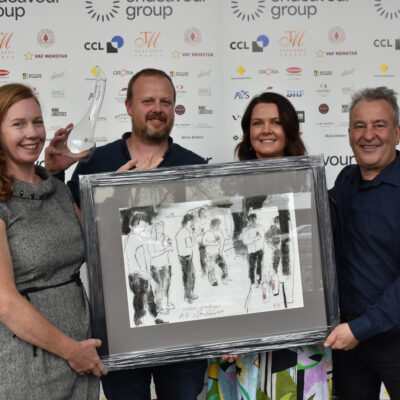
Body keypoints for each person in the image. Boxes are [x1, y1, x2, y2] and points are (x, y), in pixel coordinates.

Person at [45, 68, 208, 400]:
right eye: (147, 100)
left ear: (174, 108)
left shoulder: (194, 166)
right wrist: (58, 175)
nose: (157, 109)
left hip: (183, 327)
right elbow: (71, 232)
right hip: (117, 326)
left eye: (165, 101)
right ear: (129, 106)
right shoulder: (96, 162)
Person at [207, 92, 332, 400]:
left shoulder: (310, 184)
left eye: (276, 122)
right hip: (239, 336)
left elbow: (321, 261)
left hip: (299, 333)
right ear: (247, 132)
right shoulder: (227, 188)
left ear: (290, 129)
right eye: (257, 123)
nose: (266, 130)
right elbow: (227, 257)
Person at [0, 83, 107, 399]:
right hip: (29, 370)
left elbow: (99, 251)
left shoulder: (57, 189)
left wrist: (120, 194)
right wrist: (72, 351)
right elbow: (5, 303)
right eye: (18, 124)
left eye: (37, 122)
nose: (32, 133)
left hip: (83, 361)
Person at [324, 87, 400, 399]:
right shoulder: (345, 180)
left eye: (379, 125)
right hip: (349, 341)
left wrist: (362, 327)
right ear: (349, 133)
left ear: (397, 133)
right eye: (359, 126)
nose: (368, 135)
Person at [175, 213, 198, 303]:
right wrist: (194, 237)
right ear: (189, 221)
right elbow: (189, 244)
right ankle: (188, 296)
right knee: (190, 277)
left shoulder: (181, 231)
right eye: (192, 221)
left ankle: (189, 294)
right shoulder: (186, 232)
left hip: (182, 257)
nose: (193, 223)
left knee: (188, 276)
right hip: (187, 257)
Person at [203, 218, 229, 286]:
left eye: (218, 225)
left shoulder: (219, 232)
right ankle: (213, 281)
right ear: (212, 225)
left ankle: (224, 279)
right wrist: (213, 243)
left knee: (223, 266)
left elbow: (223, 241)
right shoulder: (207, 233)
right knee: (211, 269)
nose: (218, 227)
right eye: (216, 226)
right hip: (209, 254)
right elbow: (204, 242)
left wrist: (221, 249)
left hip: (217, 253)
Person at [242, 213, 264, 286]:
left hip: (259, 250)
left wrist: (256, 239)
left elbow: (262, 237)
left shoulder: (260, 227)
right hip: (251, 251)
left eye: (254, 219)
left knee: (259, 265)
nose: (253, 221)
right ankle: (252, 280)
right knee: (252, 266)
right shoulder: (246, 230)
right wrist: (254, 239)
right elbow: (245, 241)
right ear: (249, 221)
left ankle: (259, 279)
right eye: (251, 220)